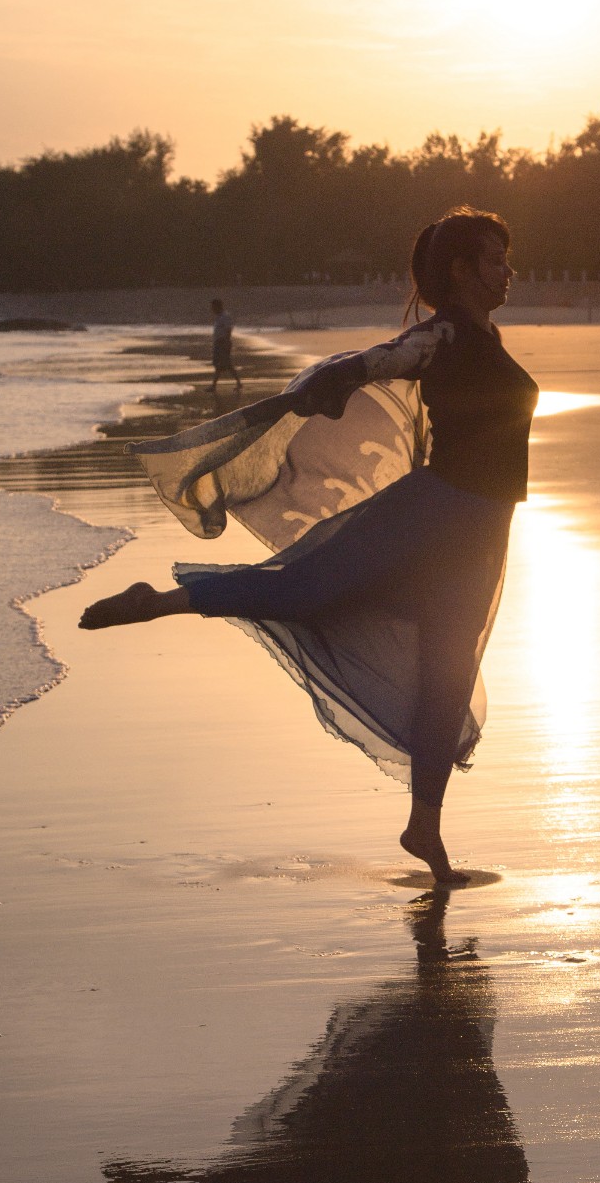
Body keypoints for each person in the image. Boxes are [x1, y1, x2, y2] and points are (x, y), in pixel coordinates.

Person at [80, 211, 537, 885]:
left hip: (484, 528)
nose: (508, 271)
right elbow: (376, 362)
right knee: (305, 590)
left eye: (507, 258)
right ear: (461, 271)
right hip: (436, 513)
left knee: (448, 675)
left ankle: (424, 828)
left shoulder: (483, 336)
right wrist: (328, 383)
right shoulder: (444, 333)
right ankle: (157, 601)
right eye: (496, 259)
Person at [209, 298, 242, 393]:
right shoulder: (219, 317)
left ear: (218, 306)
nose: (212, 309)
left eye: (213, 307)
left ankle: (214, 386)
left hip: (223, 343)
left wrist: (226, 343)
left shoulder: (225, 316)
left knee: (224, 364)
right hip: (219, 343)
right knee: (223, 365)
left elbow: (228, 330)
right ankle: (237, 383)